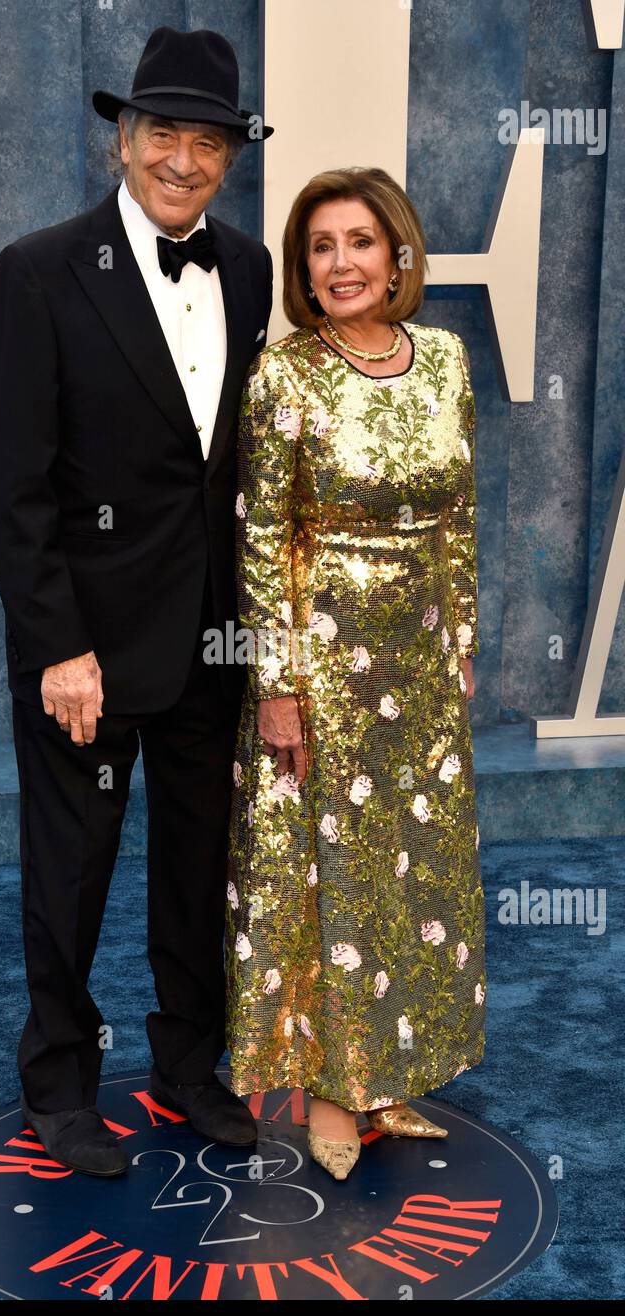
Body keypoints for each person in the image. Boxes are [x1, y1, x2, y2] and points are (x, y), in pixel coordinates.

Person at [0, 26, 274, 1175]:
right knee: (73, 868)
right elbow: (12, 480)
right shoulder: (38, 268)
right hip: (86, 649)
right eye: (163, 135)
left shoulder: (245, 268)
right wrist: (57, 645)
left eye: (207, 142)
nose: (182, 161)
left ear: (230, 160)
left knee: (200, 867)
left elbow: (233, 468)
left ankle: (190, 1065)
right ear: (122, 138)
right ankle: (58, 1078)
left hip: (210, 636)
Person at [225, 166, 486, 1180]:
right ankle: (331, 1086)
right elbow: (261, 538)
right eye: (320, 247)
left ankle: (386, 1070)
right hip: (322, 664)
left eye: (358, 242)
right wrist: (278, 686)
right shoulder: (286, 374)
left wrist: (459, 642)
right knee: (331, 877)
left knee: (411, 868)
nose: (340, 263)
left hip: (420, 666)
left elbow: (460, 517)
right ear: (305, 268)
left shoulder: (448, 361)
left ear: (398, 255)